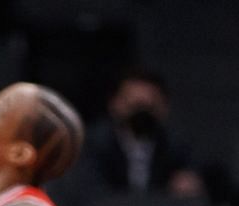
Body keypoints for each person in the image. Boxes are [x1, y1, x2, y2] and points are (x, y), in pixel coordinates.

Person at [83, 69, 201, 197]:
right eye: (133, 105)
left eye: (149, 107)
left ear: (164, 108)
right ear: (114, 104)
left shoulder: (178, 149)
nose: (140, 115)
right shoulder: (91, 147)